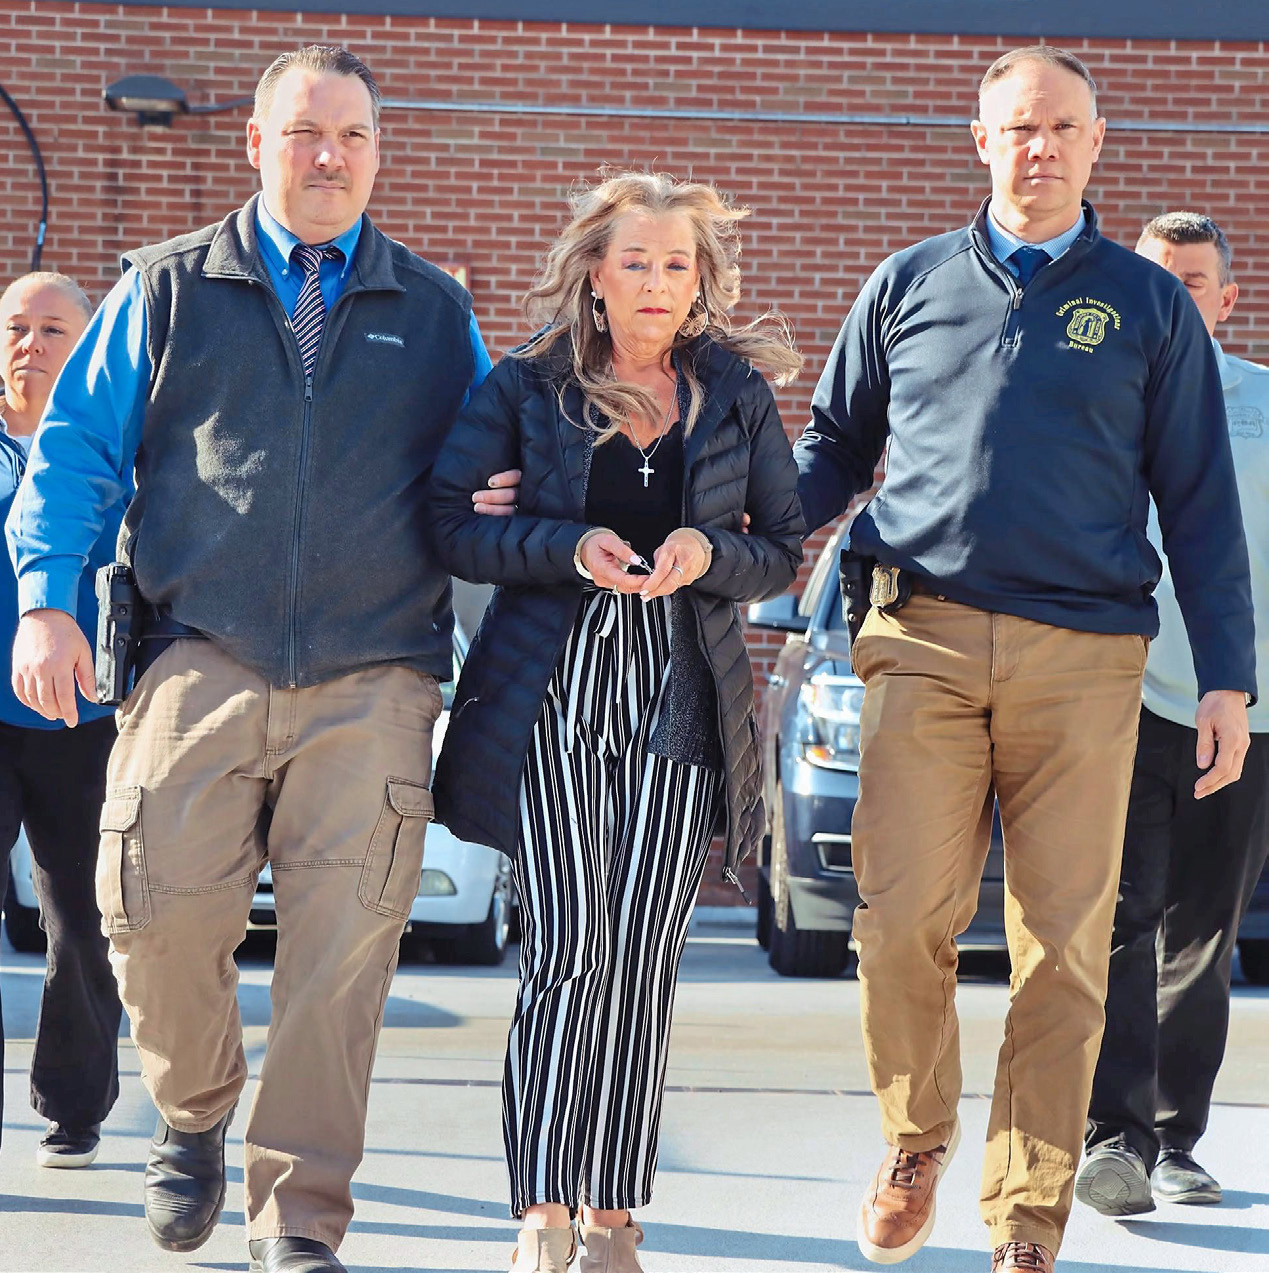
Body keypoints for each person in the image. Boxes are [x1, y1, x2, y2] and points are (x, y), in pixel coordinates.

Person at [5, 45, 502, 1273]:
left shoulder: (435, 312)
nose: (329, 156)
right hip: (198, 655)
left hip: (376, 674)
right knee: (150, 912)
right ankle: (192, 1112)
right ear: (257, 143)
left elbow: (487, 471)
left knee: (341, 963)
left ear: (378, 152)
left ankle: (300, 1218)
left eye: (353, 135)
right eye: (304, 133)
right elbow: (76, 451)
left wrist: (506, 493)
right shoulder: (167, 288)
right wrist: (47, 603)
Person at [792, 46, 1255, 1273]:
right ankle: (915, 1138)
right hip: (921, 640)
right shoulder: (907, 283)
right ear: (981, 139)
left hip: (1085, 659)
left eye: (1063, 128)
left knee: (1064, 945)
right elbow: (832, 447)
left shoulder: (1150, 306)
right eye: (1019, 126)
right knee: (900, 917)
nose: (1039, 146)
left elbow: (1200, 500)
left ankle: (1027, 1215)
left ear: (1096, 145)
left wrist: (1226, 677)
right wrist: (735, 522)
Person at [427, 170, 804, 1273]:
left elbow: (780, 547)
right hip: (553, 691)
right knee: (570, 947)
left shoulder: (733, 393)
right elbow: (451, 526)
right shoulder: (525, 385)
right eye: (634, 260)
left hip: (682, 692)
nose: (655, 281)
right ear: (594, 272)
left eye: (676, 264)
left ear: (700, 282)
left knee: (642, 959)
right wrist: (566, 545)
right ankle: (543, 1209)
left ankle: (612, 1212)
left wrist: (707, 551)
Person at [1077, 212, 1269, 1217]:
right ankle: (1114, 1138)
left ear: (1226, 299)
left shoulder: (1264, 406)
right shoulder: (1095, 395)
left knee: (1203, 930)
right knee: (1120, 917)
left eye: (1192, 280)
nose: (1174, 295)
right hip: (1115, 698)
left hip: (1243, 710)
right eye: (1157, 278)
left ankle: (1174, 1140)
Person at [0, 272, 124, 1169]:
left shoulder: (115, 453)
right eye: (16, 326)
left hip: (87, 721)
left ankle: (74, 1107)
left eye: (53, 329)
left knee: (83, 920)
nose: (30, 344)